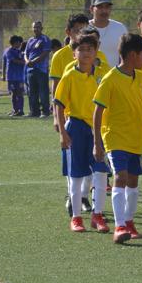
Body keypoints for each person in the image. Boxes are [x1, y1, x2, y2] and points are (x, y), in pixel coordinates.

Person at [92, 33, 142, 244]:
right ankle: (119, 226)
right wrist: (97, 143)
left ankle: (129, 220)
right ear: (133, 55)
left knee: (133, 180)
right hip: (115, 137)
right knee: (121, 177)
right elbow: (98, 111)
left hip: (136, 138)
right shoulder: (110, 79)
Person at [55, 33, 112, 233]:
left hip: (98, 130)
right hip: (76, 127)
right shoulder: (70, 75)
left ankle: (97, 215)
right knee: (76, 174)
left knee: (101, 172)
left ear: (96, 52)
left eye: (90, 49)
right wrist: (63, 132)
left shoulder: (103, 74)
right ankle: (77, 217)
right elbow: (59, 105)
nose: (86, 53)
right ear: (74, 53)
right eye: (82, 49)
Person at [49, 14, 89, 97]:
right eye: (77, 31)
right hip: (68, 108)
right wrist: (56, 106)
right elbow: (56, 86)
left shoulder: (96, 54)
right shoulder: (58, 56)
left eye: (84, 31)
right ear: (68, 32)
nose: (81, 35)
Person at [89, 0, 128, 66]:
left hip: (114, 76)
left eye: (107, 7)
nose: (104, 11)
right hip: (89, 77)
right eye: (100, 7)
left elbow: (126, 56)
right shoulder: (84, 28)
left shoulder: (120, 28)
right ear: (91, 9)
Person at [25, 21, 52, 117]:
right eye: (34, 27)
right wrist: (27, 61)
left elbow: (45, 54)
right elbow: (26, 53)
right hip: (30, 70)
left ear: (42, 28)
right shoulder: (30, 40)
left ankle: (45, 112)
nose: (36, 29)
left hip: (41, 70)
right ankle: (34, 112)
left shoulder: (45, 39)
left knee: (43, 91)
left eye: (38, 27)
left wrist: (33, 62)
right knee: (32, 92)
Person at [3, 35, 27, 116]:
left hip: (20, 76)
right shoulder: (9, 51)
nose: (20, 44)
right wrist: (24, 62)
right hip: (12, 76)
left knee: (20, 93)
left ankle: (21, 110)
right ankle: (15, 110)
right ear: (14, 43)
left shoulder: (20, 51)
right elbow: (13, 60)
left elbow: (23, 59)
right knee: (13, 93)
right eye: (18, 42)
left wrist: (24, 61)